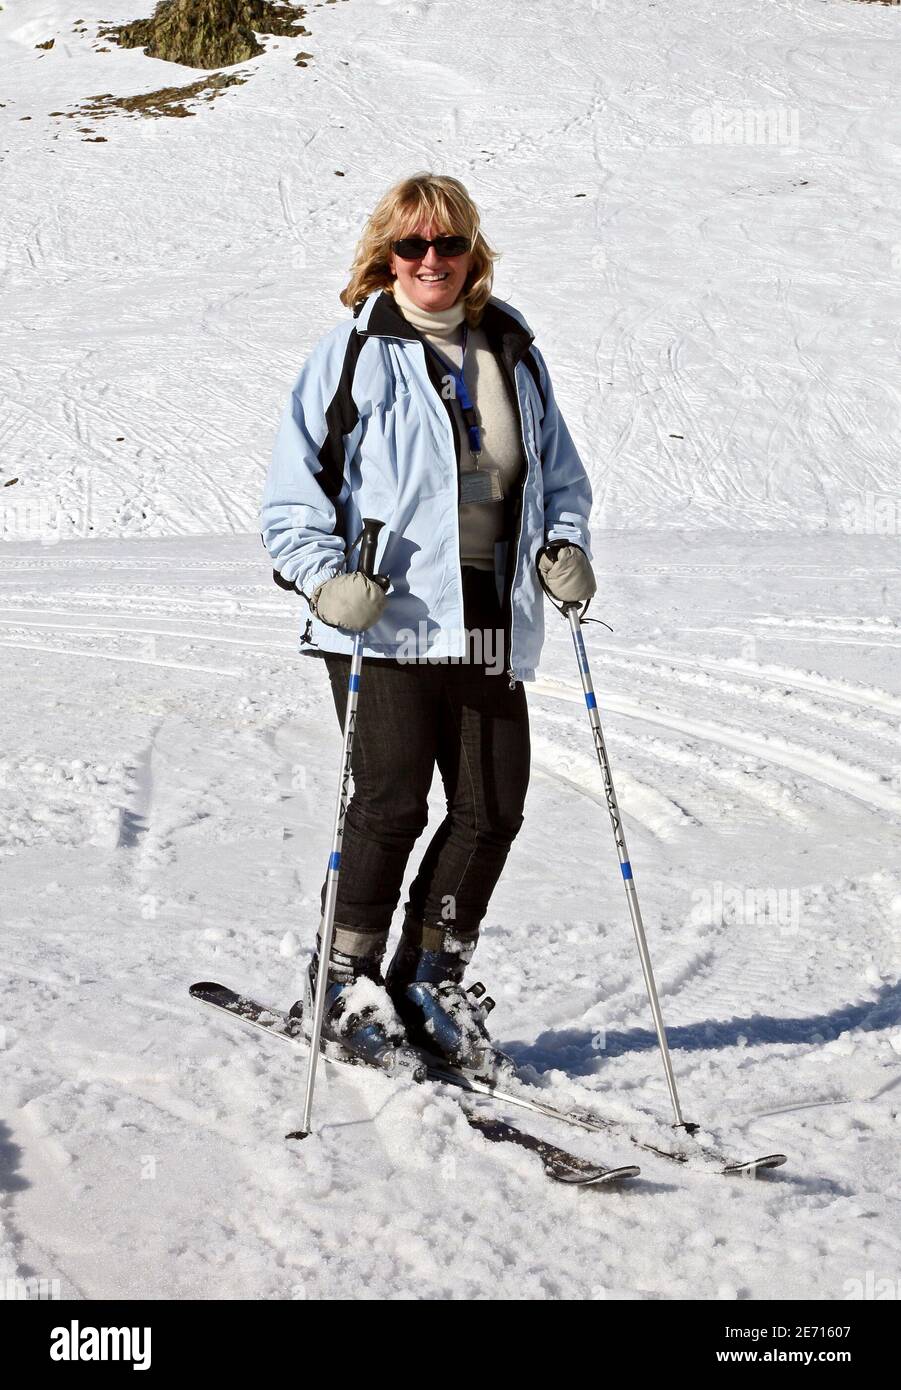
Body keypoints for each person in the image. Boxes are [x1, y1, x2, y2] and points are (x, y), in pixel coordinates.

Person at [261, 172, 595, 1080]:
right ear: (385, 256)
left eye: (448, 244)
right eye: (412, 246)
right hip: (385, 623)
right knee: (390, 805)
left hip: (490, 617)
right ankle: (342, 981)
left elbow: (557, 477)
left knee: (492, 810)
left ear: (471, 252)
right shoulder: (352, 355)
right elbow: (295, 498)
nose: (431, 261)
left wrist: (564, 546)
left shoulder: (512, 348)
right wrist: (325, 581)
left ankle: (428, 979)